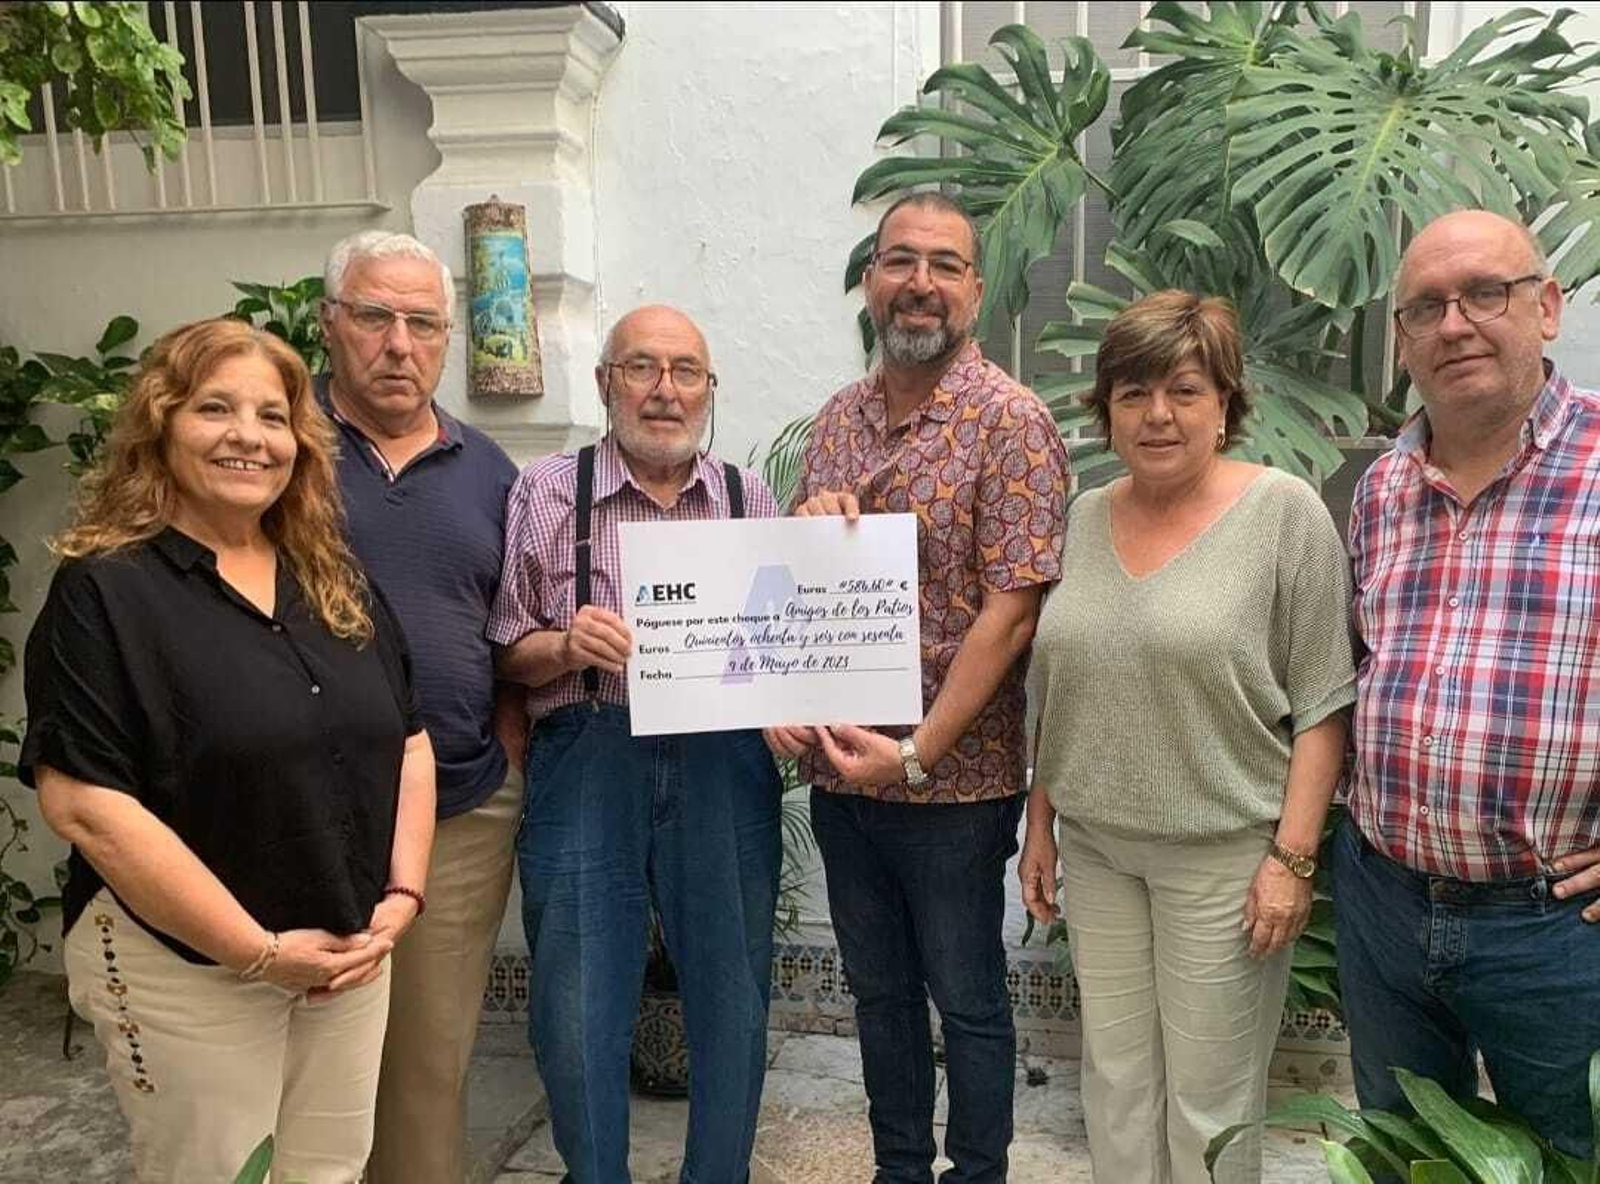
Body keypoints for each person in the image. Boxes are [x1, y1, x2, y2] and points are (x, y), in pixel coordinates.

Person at [20, 317, 435, 1183]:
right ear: (161, 425)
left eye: (273, 416)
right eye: (216, 408)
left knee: (328, 1170)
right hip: (189, 968)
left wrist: (401, 896)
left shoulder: (331, 575)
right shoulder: (105, 592)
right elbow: (87, 807)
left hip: (349, 952)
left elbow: (408, 740)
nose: (249, 436)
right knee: (219, 1172)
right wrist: (255, 951)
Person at [1015, 290, 1354, 1184]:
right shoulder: (1084, 518)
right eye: (1133, 392)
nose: (1157, 414)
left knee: (1210, 1102)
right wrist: (1041, 826)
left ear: (1225, 402)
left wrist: (1293, 860)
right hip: (1098, 852)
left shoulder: (1284, 516)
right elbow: (1059, 688)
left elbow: (1323, 703)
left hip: (1226, 862)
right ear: (1107, 407)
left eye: (1185, 389)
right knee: (1116, 1085)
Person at [766, 191, 1071, 1184]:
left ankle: (975, 1170)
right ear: (871, 280)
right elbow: (814, 583)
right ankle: (898, 1166)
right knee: (878, 994)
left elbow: (1011, 610)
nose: (921, 282)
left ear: (975, 290)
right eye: (900, 260)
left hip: (954, 782)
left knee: (967, 997)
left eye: (945, 263)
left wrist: (918, 748)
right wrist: (814, 524)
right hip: (846, 774)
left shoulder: (1010, 422)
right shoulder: (839, 420)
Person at [488, 304, 783, 1183]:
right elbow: (507, 647)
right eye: (642, 367)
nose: (665, 390)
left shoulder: (746, 496)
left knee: (731, 995)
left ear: (709, 389)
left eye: (686, 370)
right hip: (588, 753)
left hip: (721, 760)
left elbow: (777, 651)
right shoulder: (547, 491)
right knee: (577, 1006)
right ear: (606, 382)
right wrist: (565, 645)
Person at [1338, 208, 1600, 1157]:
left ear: (1546, 307)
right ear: (1403, 341)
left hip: (1557, 930)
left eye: (1485, 293)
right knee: (1404, 1159)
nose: (1455, 325)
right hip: (1384, 902)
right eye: (1425, 308)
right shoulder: (1382, 489)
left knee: (1574, 1158)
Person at [315, 230, 522, 1184]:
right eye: (374, 317)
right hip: (302, 813)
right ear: (330, 326)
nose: (400, 345)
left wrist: (506, 758)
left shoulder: (493, 472)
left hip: (459, 815)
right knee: (306, 1062)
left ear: (448, 339)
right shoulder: (279, 450)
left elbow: (515, 635)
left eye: (423, 323)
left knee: (430, 1066)